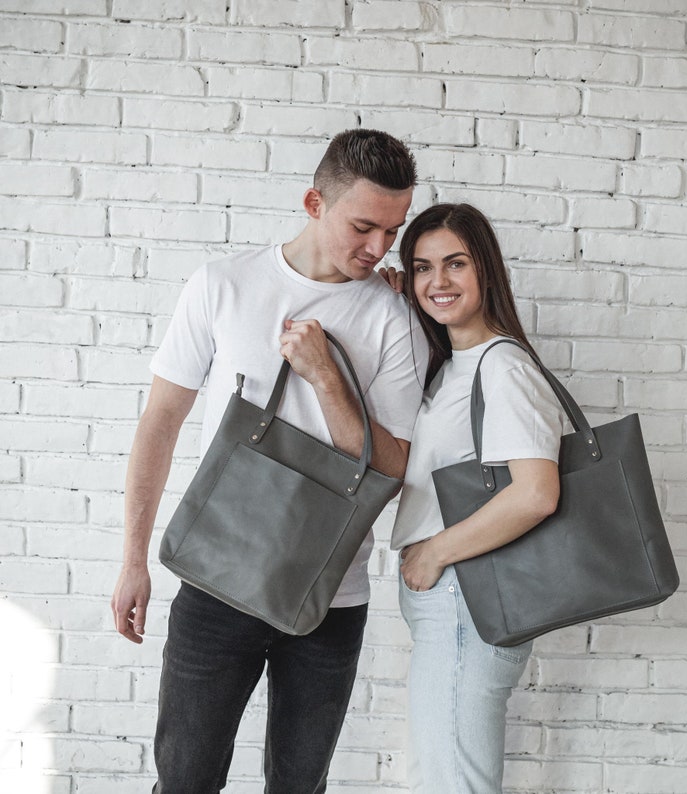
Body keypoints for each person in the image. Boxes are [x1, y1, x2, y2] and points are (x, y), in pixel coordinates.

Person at [110, 129, 429, 794]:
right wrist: (133, 559)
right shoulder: (223, 286)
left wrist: (326, 379)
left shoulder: (393, 318)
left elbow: (393, 468)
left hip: (328, 598)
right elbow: (160, 423)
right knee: (185, 781)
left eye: (391, 233)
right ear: (315, 201)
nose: (376, 250)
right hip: (215, 581)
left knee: (298, 786)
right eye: (363, 226)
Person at [389, 203, 564, 793]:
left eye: (455, 264)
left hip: (466, 600)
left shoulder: (502, 367)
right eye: (421, 267)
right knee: (439, 775)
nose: (437, 282)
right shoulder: (456, 364)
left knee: (453, 783)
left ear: (485, 269)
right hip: (455, 604)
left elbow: (537, 494)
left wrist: (434, 551)